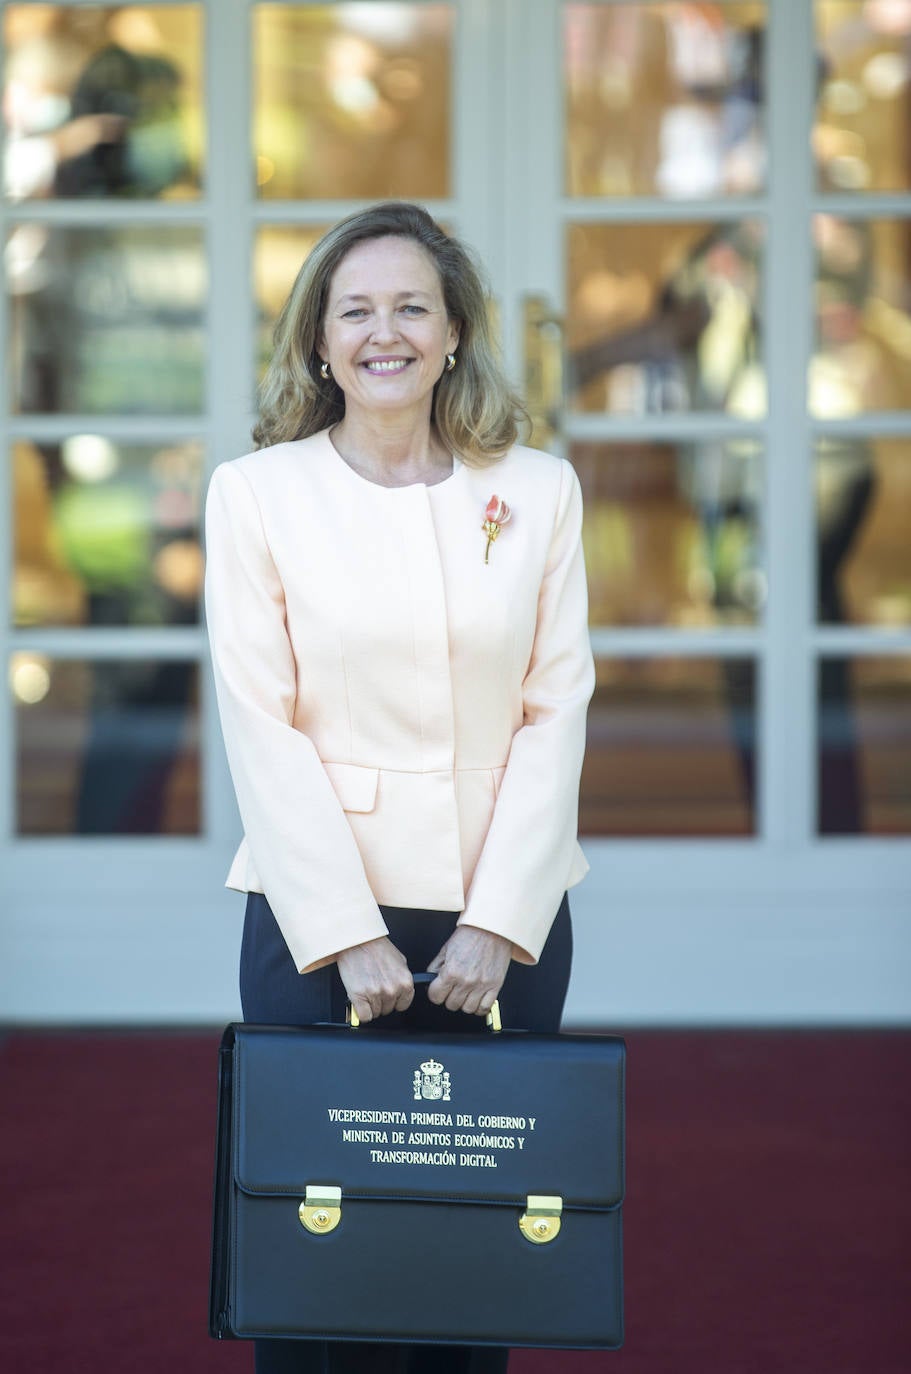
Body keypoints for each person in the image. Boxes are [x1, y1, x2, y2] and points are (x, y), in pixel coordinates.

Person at [204, 201, 595, 1374]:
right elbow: (258, 725)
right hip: (321, 925)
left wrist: (498, 922)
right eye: (355, 309)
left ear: (455, 332)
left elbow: (555, 707)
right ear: (317, 342)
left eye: (411, 306)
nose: (386, 333)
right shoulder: (255, 493)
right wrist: (341, 936)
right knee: (315, 1258)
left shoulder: (537, 490)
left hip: (503, 921)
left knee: (474, 1264)